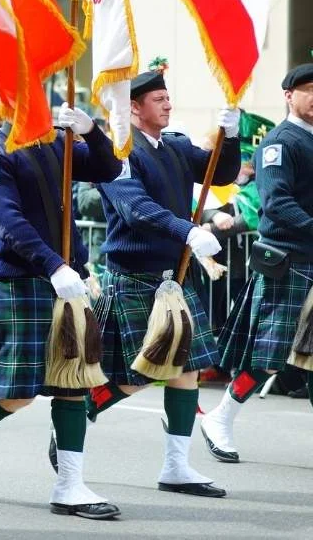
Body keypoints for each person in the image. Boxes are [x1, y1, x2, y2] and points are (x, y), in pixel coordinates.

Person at [0, 104, 123, 520]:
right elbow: (7, 220)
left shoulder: (57, 140)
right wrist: (53, 264)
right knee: (18, 391)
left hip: (67, 278)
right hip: (23, 280)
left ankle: (70, 485)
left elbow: (108, 168)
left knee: (75, 381)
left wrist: (91, 131)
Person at [82, 66, 241, 498]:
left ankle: (176, 467)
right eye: (158, 99)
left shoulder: (174, 146)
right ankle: (76, 417)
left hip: (174, 277)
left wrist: (231, 136)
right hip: (134, 275)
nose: (168, 103)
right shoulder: (118, 152)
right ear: (133, 108)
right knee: (137, 375)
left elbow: (219, 173)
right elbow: (136, 208)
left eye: (168, 97)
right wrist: (187, 230)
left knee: (186, 371)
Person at [203, 64, 313, 461]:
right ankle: (221, 417)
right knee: (269, 356)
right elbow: (277, 204)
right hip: (288, 260)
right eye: (308, 89)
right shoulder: (279, 144)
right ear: (289, 96)